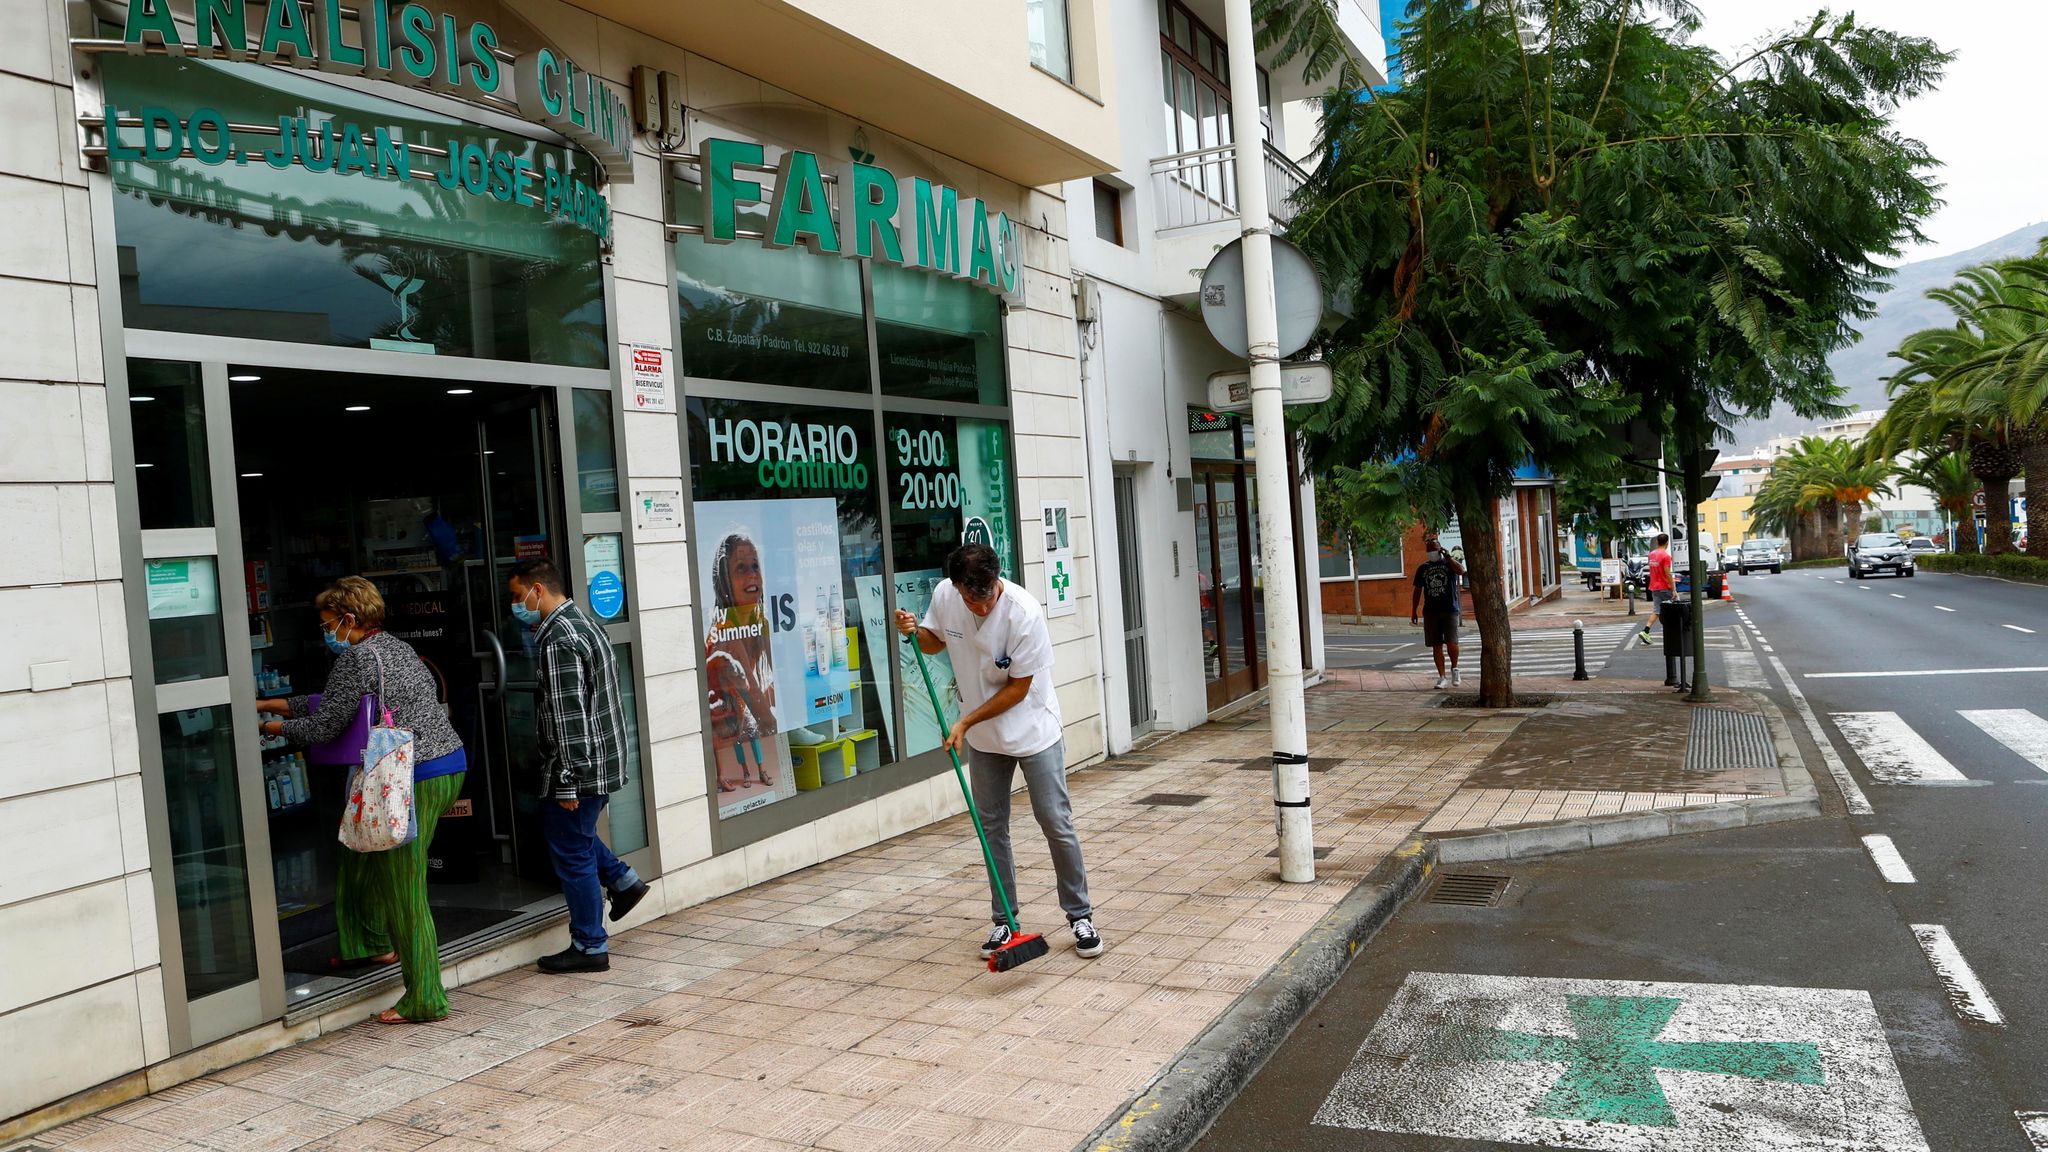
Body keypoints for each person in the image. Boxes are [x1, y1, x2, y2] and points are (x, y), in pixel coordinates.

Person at [255, 577, 466, 1024]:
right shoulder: (395, 648)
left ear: (349, 619)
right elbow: (337, 704)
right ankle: (368, 943)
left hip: (410, 778)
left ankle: (426, 997)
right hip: (445, 765)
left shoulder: (356, 658)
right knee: (359, 855)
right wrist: (274, 704)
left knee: (405, 888)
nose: (326, 631)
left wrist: (267, 728)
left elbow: (324, 726)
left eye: (328, 623)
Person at [894, 543, 1103, 960]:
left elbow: (1018, 688)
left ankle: (1080, 915)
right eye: (974, 597)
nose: (984, 604)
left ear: (996, 581)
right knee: (991, 828)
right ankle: (1005, 922)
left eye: (989, 594)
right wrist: (915, 632)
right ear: (956, 587)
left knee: (1054, 820)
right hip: (983, 737)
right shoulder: (945, 597)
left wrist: (966, 721)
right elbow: (937, 641)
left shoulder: (1024, 613)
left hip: (1032, 729)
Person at [508, 558, 651, 973]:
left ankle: (590, 945)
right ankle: (623, 882)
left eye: (519, 597)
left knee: (571, 848)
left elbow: (570, 719)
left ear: (538, 589)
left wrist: (568, 782)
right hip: (602, 762)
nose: (517, 606)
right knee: (572, 835)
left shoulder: (558, 641)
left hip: (581, 768)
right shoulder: (583, 623)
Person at [704, 532, 779, 794]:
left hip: (739, 715)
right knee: (752, 731)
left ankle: (755, 772)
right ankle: (746, 773)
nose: (752, 575)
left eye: (755, 566)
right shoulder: (726, 631)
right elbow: (761, 710)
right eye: (741, 568)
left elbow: (779, 679)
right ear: (725, 581)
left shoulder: (761, 624)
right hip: (722, 720)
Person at [1409, 532, 1466, 689]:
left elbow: (1461, 571)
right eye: (1429, 550)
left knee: (1452, 642)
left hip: (1450, 610)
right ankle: (1442, 677)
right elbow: (1417, 591)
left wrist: (1448, 557)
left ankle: (1455, 668)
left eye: (1434, 549)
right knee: (1436, 645)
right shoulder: (1423, 568)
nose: (1432, 552)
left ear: (1440, 549)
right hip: (1431, 611)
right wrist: (1414, 611)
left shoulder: (1449, 564)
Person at [1638, 533, 1674, 646]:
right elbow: (1667, 573)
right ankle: (1672, 632)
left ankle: (1646, 631)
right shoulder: (1666, 557)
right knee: (1673, 609)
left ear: (1657, 542)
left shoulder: (1651, 555)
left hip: (1654, 586)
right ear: (1667, 543)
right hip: (1665, 587)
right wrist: (1673, 588)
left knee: (1657, 610)